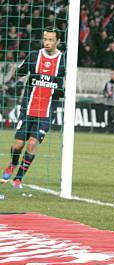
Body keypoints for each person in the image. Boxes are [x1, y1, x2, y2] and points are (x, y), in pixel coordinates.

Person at [2, 27, 66, 189]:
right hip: (28, 110)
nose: (47, 42)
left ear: (58, 41)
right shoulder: (33, 56)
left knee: (31, 144)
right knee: (18, 145)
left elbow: (67, 85)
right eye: (45, 39)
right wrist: (8, 83)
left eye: (51, 39)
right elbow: (18, 74)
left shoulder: (64, 61)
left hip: (46, 112)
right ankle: (13, 163)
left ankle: (19, 178)